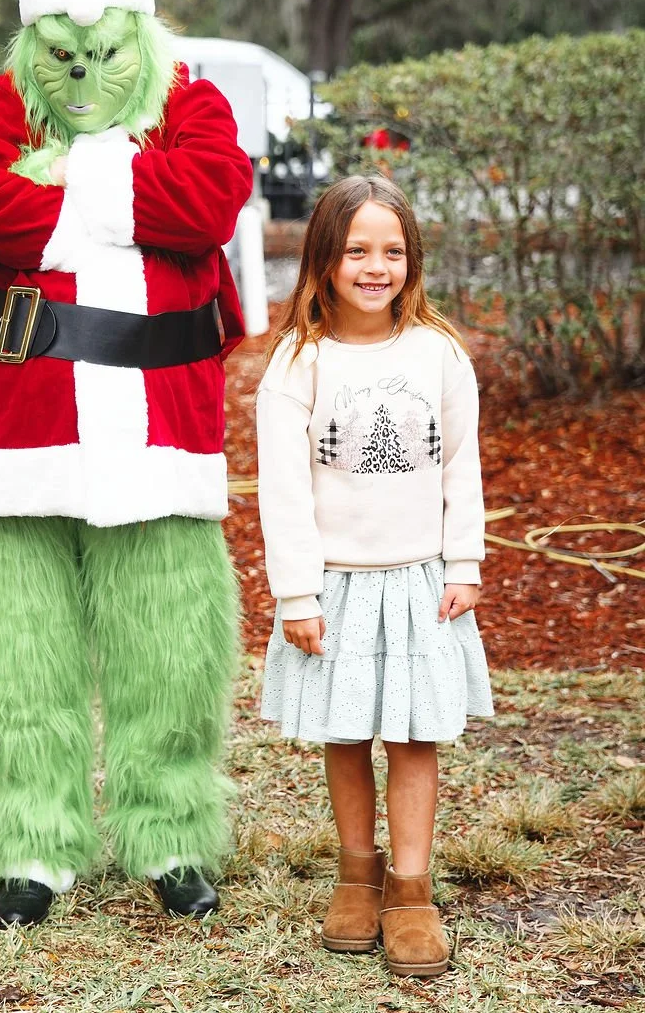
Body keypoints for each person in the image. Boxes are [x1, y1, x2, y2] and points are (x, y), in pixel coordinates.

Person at [0, 0, 254, 927]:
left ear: (140, 37)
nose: (83, 74)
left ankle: (173, 833)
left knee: (170, 647)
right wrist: (119, 195)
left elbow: (206, 203)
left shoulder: (193, 104)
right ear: (33, 48)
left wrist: (62, 180)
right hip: (9, 426)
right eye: (63, 57)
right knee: (19, 652)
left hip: (159, 429)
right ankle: (31, 841)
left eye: (104, 54)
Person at [255, 172, 493, 978]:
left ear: (412, 261)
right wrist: (297, 591)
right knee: (348, 730)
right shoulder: (299, 361)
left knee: (415, 733)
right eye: (356, 249)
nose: (374, 265)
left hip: (422, 581)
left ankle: (412, 887)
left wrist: (464, 562)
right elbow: (283, 488)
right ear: (323, 259)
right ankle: (358, 873)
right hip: (338, 585)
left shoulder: (438, 354)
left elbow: (463, 466)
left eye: (391, 250)